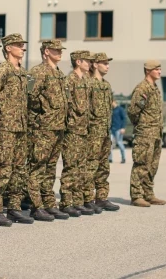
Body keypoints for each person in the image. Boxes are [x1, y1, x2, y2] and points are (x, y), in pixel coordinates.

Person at [0, 33, 33, 226]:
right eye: (19, 45)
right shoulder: (2, 70)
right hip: (5, 127)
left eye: (23, 45)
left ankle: (14, 207)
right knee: (2, 168)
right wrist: (2, 114)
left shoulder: (22, 72)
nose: (23, 48)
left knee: (19, 169)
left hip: (21, 126)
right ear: (8, 48)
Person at [26, 40, 69, 221]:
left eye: (60, 50)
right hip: (43, 127)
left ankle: (49, 202)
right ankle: (36, 205)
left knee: (50, 167)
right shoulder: (38, 72)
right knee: (37, 166)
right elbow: (30, 97)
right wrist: (41, 115)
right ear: (46, 52)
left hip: (58, 126)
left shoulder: (59, 73)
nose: (59, 52)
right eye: (55, 50)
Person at [59, 50, 94, 217]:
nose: (89, 64)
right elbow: (66, 106)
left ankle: (78, 201)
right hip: (72, 130)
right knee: (71, 166)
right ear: (78, 62)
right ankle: (66, 201)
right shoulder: (70, 80)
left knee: (81, 167)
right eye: (86, 61)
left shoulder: (86, 80)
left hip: (83, 129)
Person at [127, 60, 166, 208]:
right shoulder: (142, 88)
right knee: (141, 164)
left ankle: (148, 193)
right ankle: (137, 195)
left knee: (152, 165)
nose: (159, 72)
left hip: (156, 133)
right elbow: (132, 112)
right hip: (145, 133)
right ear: (148, 70)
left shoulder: (155, 88)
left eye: (160, 69)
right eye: (156, 69)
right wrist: (142, 126)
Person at [85, 52, 120, 212]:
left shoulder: (106, 85)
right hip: (92, 132)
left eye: (108, 63)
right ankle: (87, 198)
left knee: (104, 166)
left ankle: (102, 197)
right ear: (95, 64)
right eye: (104, 63)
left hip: (105, 131)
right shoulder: (89, 83)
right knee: (91, 165)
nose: (108, 66)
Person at [109, 99, 127, 164]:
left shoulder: (120, 109)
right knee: (109, 144)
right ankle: (110, 158)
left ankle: (123, 158)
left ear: (114, 102)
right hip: (112, 129)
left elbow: (124, 119)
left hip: (118, 129)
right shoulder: (111, 110)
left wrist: (123, 128)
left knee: (119, 143)